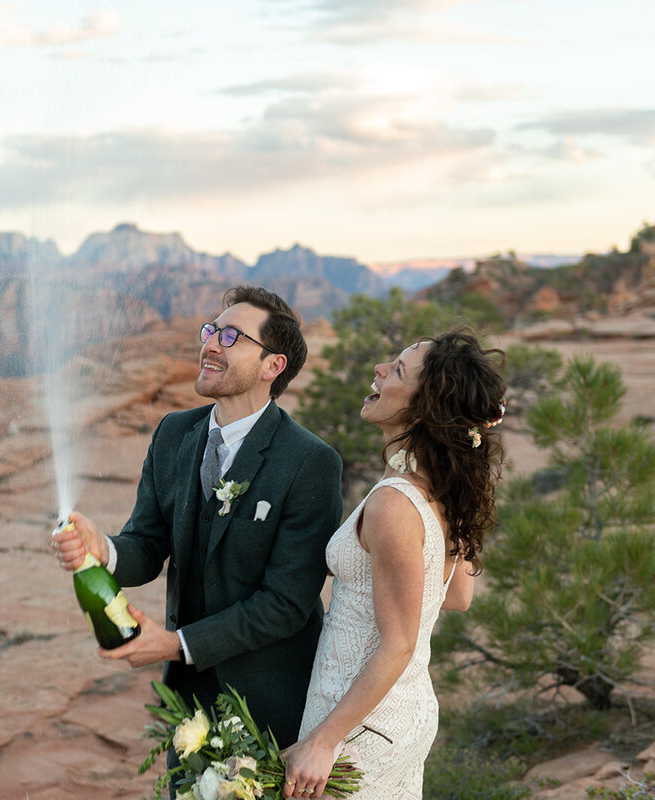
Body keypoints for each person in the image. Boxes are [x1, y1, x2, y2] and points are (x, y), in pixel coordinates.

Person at [52, 285, 343, 748]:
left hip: (271, 708)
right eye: (211, 330)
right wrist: (101, 548)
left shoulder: (310, 462)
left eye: (231, 337)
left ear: (273, 366)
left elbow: (286, 604)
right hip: (187, 709)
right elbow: (146, 546)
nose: (208, 344)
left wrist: (176, 644)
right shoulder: (173, 433)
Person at [281, 329, 506, 800]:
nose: (380, 369)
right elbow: (458, 597)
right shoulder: (437, 492)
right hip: (400, 711)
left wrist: (323, 742)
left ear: (426, 409)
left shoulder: (394, 504)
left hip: (360, 723)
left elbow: (399, 642)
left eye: (399, 369)